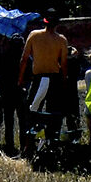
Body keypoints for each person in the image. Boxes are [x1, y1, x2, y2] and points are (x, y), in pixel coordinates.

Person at [22, 12, 75, 147]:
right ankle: (52, 141)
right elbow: (63, 63)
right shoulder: (61, 40)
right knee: (54, 112)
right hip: (54, 78)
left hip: (39, 77)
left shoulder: (34, 35)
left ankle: (29, 143)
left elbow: (24, 59)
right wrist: (64, 79)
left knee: (32, 110)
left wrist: (20, 79)